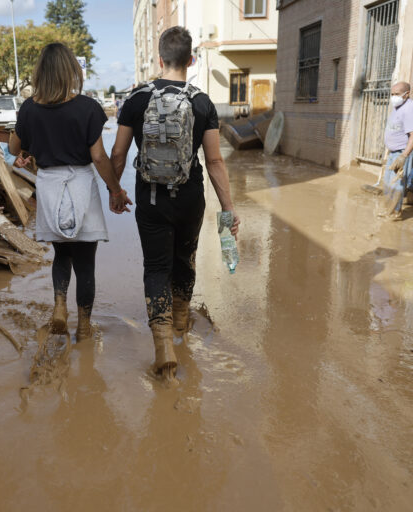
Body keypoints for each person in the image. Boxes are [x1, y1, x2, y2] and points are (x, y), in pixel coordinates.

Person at [111, 26, 240, 381]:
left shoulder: (136, 99)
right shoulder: (202, 102)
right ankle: (182, 324)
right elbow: (215, 161)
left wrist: (114, 192)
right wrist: (228, 208)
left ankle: (164, 345)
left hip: (150, 198)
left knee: (156, 268)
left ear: (159, 58)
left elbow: (118, 153)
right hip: (190, 198)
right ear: (191, 60)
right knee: (185, 259)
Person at [8, 43, 132, 342]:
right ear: (71, 71)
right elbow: (99, 158)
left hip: (49, 184)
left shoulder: (28, 108)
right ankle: (85, 326)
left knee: (61, 255)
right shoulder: (87, 108)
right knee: (85, 262)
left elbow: (14, 149)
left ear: (41, 73)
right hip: (80, 184)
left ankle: (60, 306)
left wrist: (25, 138)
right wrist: (115, 189)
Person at [382, 81, 413, 217]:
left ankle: (394, 215)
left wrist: (403, 156)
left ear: (407, 94)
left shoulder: (410, 109)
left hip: (403, 152)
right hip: (394, 152)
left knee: (396, 185)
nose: (393, 97)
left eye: (396, 94)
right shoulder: (397, 107)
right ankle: (388, 210)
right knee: (387, 183)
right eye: (392, 94)